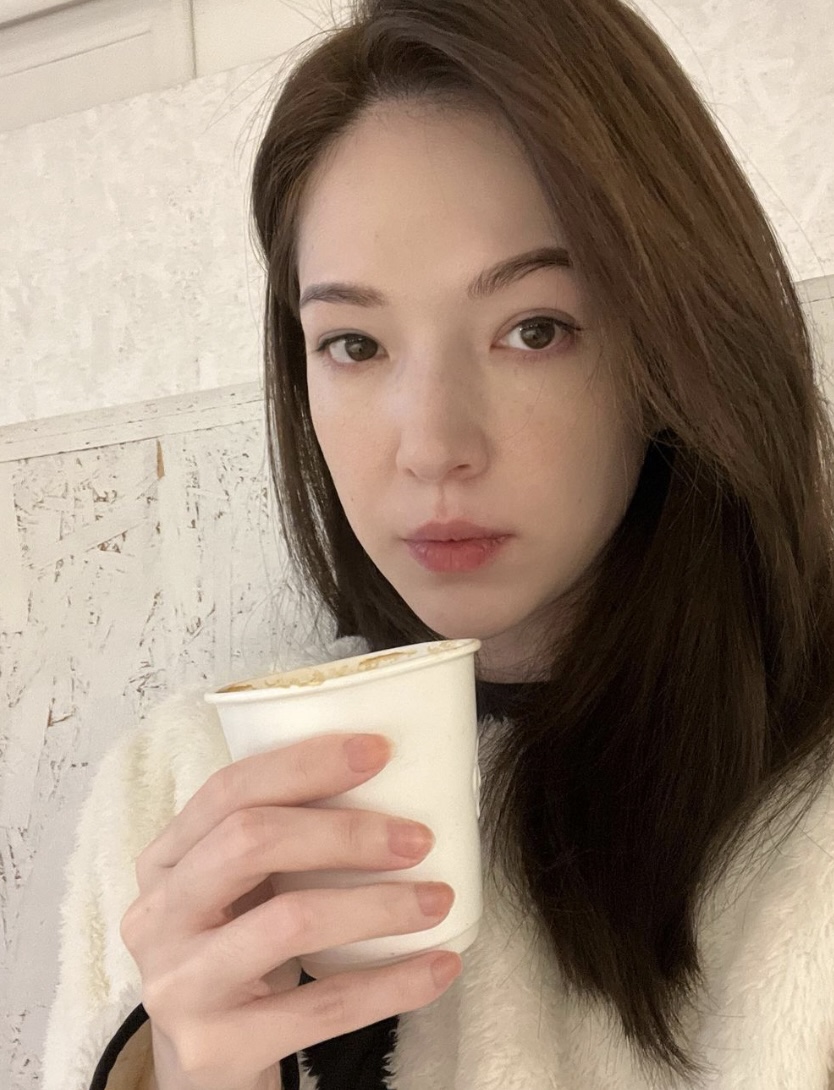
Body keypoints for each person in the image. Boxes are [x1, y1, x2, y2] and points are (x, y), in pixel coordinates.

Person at [42, 0, 834, 1086]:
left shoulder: (808, 829)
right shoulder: (175, 797)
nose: (430, 447)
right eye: (354, 343)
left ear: (671, 345)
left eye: (535, 329)